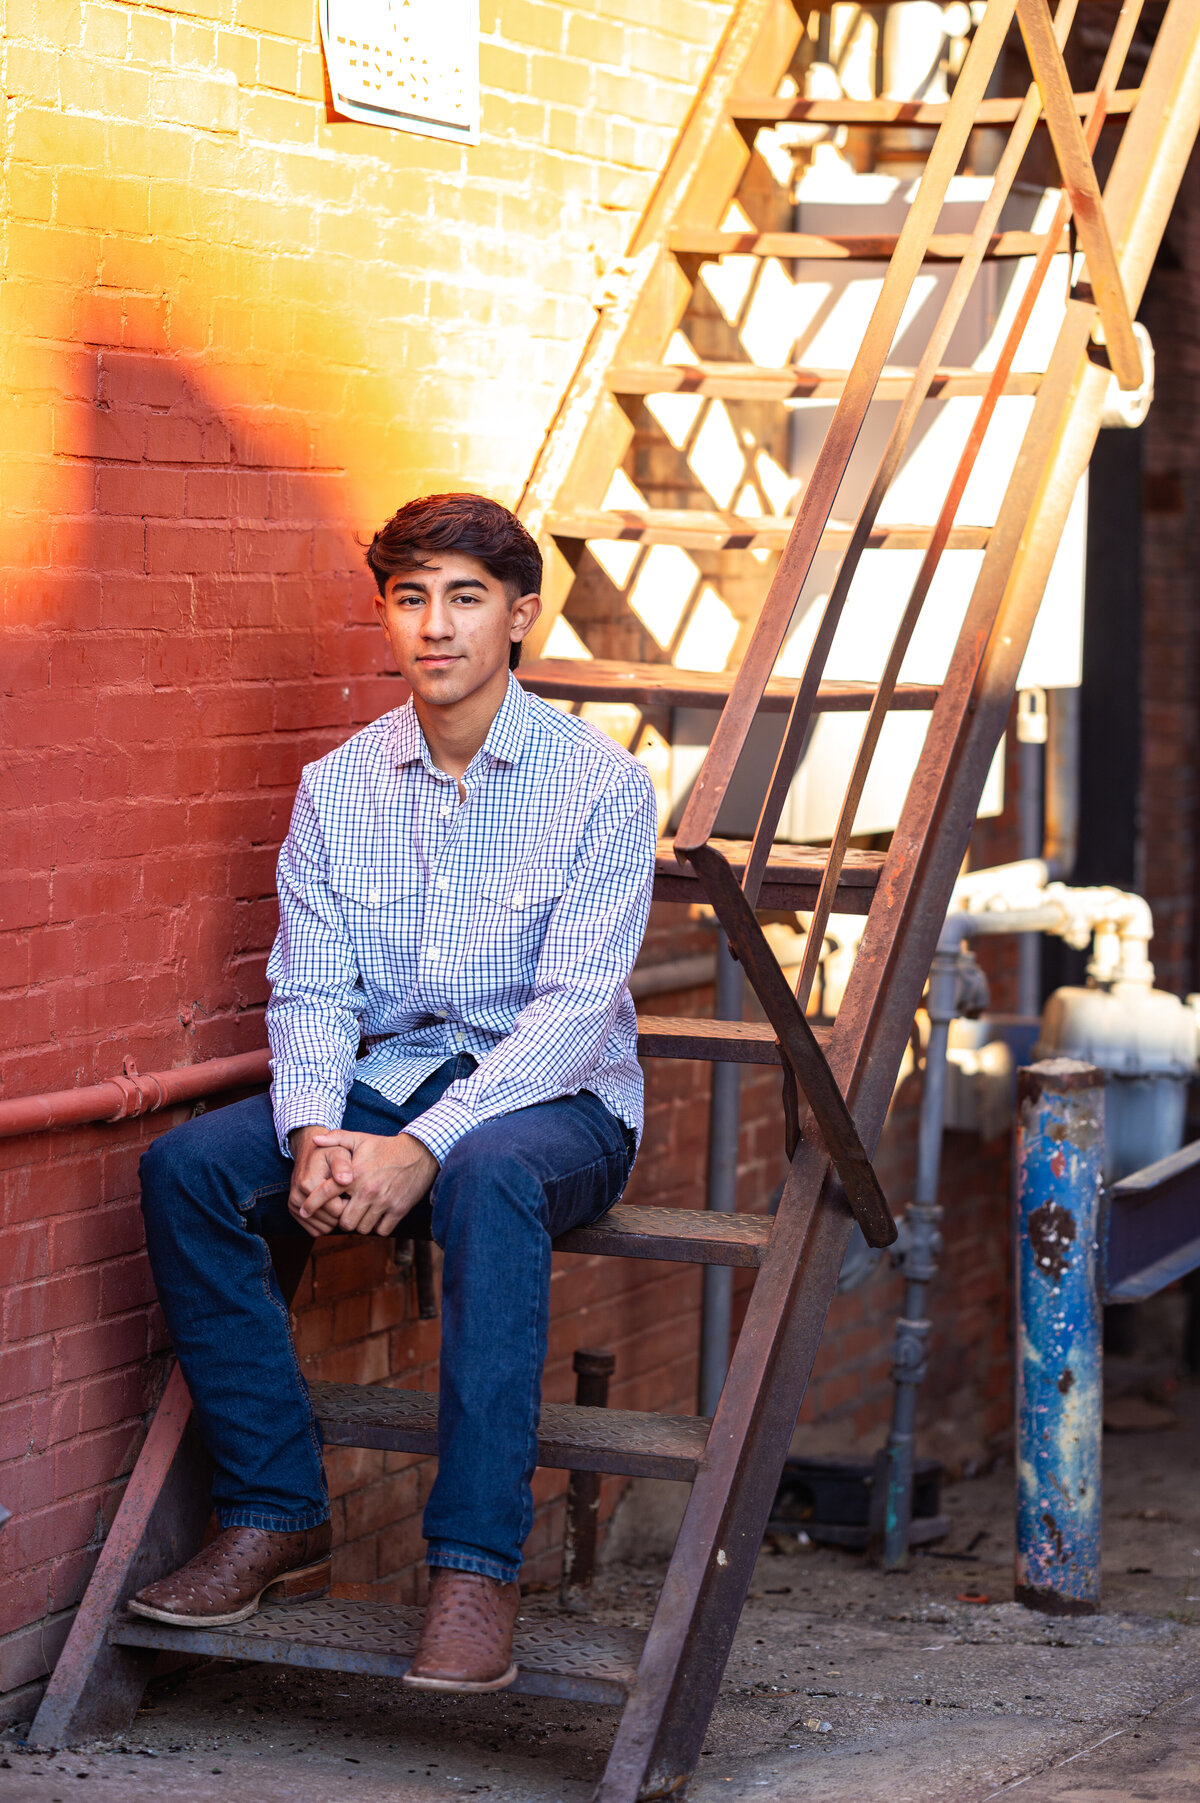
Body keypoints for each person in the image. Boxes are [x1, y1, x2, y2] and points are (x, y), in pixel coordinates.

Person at [129, 492, 658, 1691]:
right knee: (189, 1172)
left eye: (465, 598)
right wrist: (317, 1129)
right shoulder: (339, 788)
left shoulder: (603, 790)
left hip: (562, 1100)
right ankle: (275, 1511)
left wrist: (423, 1144)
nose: (436, 625)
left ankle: (472, 1571)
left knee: (484, 1175)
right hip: (383, 1082)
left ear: (519, 618)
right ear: (387, 617)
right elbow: (309, 989)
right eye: (411, 597)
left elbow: (573, 1015)